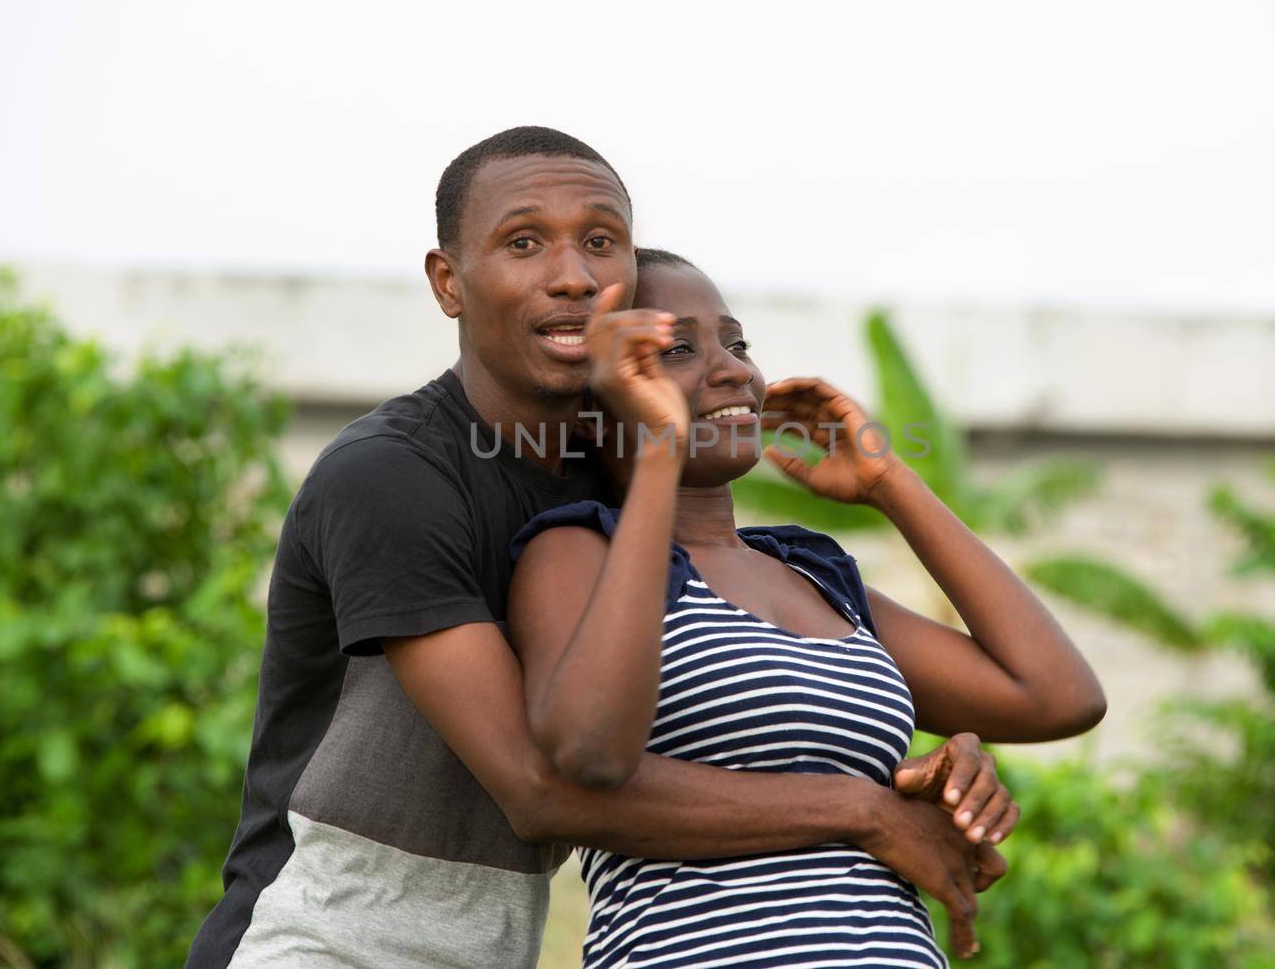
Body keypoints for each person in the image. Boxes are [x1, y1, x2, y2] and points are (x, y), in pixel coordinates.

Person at [186, 129, 1015, 968]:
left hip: (490, 947)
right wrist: (864, 809)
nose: (574, 275)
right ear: (449, 282)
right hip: (325, 941)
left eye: (600, 241)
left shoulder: (620, 488)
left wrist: (924, 755)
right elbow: (544, 789)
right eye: (522, 243)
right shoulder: (393, 475)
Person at [507, 248, 1107, 966]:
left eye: (737, 343)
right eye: (676, 349)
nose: (732, 370)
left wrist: (890, 481)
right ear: (593, 398)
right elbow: (588, 752)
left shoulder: (812, 574)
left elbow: (1056, 696)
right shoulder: (579, 553)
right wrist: (659, 453)